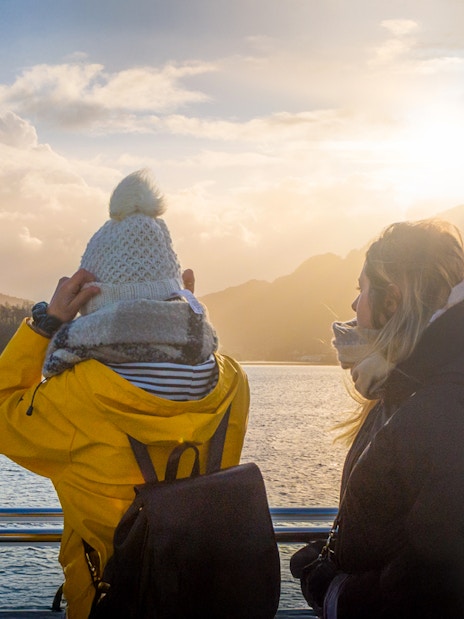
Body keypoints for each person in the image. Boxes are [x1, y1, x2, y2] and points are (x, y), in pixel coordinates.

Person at [0, 169, 250, 618]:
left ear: (90, 305)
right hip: (203, 600)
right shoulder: (232, 384)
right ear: (177, 296)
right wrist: (184, 316)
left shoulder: (76, 398)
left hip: (113, 602)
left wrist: (44, 323)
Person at [291, 219, 464, 618]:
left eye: (361, 290)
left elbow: (436, 586)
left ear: (391, 302)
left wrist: (334, 592)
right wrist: (333, 557)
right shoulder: (409, 388)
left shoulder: (438, 408)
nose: (354, 307)